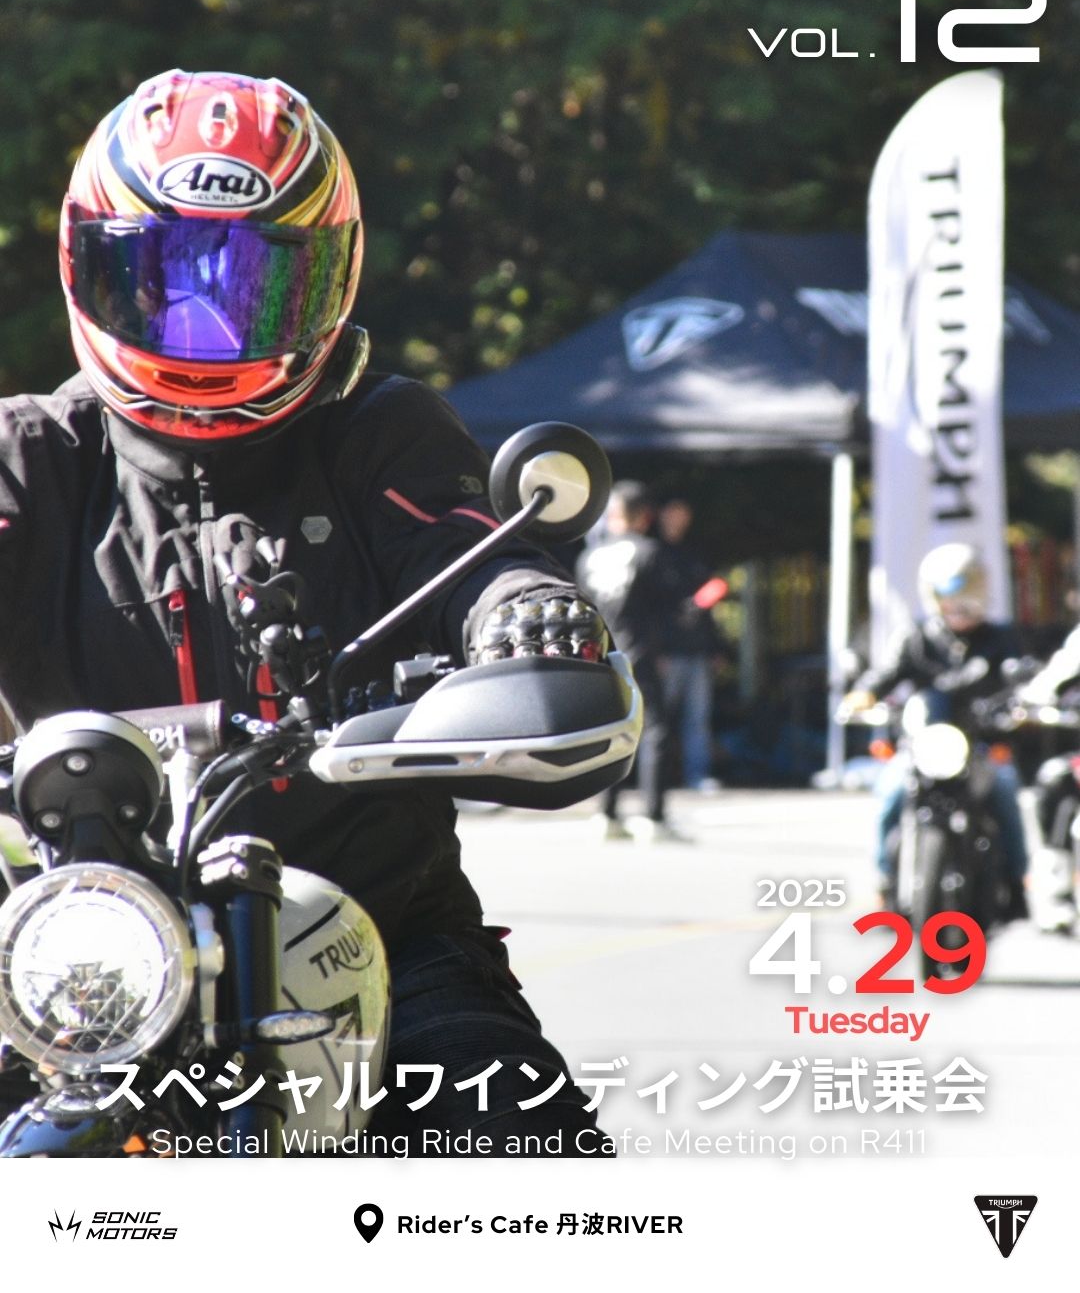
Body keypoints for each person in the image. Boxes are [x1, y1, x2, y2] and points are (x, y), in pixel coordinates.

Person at [0, 69, 617, 1153]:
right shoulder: (31, 459)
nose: (202, 320)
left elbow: (467, 552)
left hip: (378, 927)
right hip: (75, 952)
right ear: (87, 263)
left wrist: (526, 613)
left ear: (330, 279)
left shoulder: (379, 434)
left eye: (251, 284)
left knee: (525, 1154)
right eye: (162, 277)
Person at [840, 542, 1028, 918]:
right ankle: (884, 883)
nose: (955, 606)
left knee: (1005, 792)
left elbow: (1019, 674)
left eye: (963, 595)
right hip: (924, 748)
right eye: (947, 596)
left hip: (979, 745)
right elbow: (884, 675)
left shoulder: (1000, 638)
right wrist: (862, 693)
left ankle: (1016, 885)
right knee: (890, 794)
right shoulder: (916, 637)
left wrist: (1022, 697)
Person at [576, 480, 685, 842]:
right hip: (639, 651)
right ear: (645, 516)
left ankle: (606, 813)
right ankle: (653, 815)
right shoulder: (650, 552)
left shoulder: (589, 557)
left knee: (609, 732)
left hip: (599, 654)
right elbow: (670, 608)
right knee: (654, 731)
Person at [655, 497, 729, 792]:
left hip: (697, 650)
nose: (678, 519)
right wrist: (656, 650)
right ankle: (654, 777)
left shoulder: (695, 553)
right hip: (667, 652)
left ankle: (697, 775)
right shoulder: (653, 554)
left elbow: (707, 607)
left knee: (697, 719)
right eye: (673, 512)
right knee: (659, 719)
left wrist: (715, 648)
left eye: (683, 513)